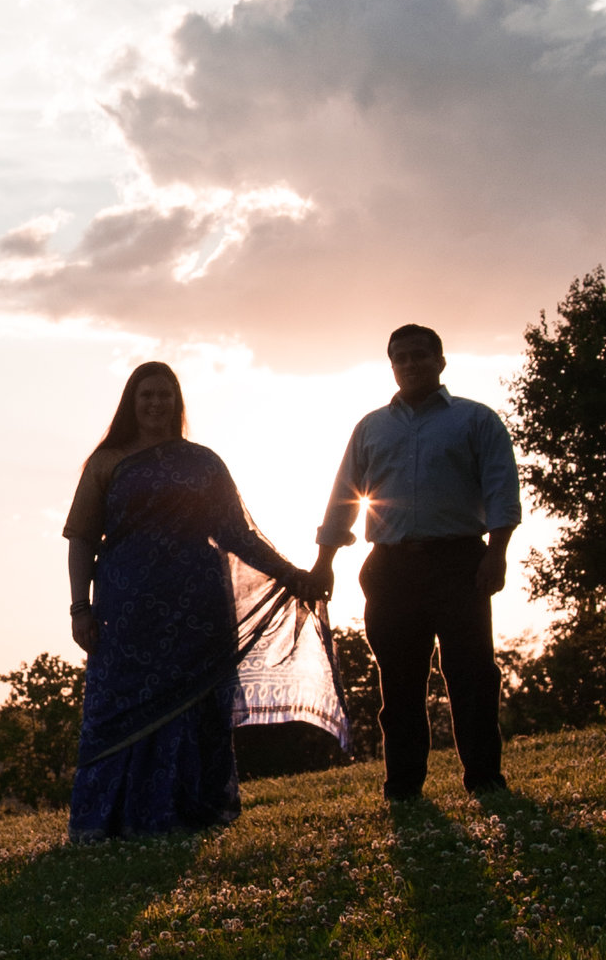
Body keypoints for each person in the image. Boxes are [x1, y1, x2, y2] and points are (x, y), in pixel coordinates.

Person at [64, 360, 324, 839]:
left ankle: (188, 811)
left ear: (177, 403)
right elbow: (81, 539)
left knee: (194, 706)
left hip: (198, 609)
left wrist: (294, 575)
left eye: (165, 394)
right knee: (117, 706)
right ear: (131, 402)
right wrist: (80, 607)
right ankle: (110, 821)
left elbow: (237, 535)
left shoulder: (204, 462)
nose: (156, 403)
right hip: (126, 608)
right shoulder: (107, 461)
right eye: (146, 395)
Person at [314, 325, 521, 802]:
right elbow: (344, 495)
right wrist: (324, 562)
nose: (410, 365)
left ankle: (485, 778)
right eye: (400, 358)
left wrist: (497, 552)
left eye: (419, 356)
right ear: (392, 365)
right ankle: (403, 787)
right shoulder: (371, 427)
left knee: (472, 675)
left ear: (440, 361)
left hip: (460, 563)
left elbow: (500, 489)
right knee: (400, 683)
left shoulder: (475, 420)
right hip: (389, 569)